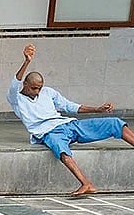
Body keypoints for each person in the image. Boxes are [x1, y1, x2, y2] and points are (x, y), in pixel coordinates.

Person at [9, 43, 134, 195]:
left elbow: (70, 107)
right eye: (34, 88)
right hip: (48, 132)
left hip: (68, 124)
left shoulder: (48, 92)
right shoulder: (16, 99)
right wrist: (27, 62)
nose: (37, 91)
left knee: (115, 123)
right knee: (61, 149)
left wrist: (97, 109)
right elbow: (14, 84)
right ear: (26, 84)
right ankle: (86, 183)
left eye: (40, 88)